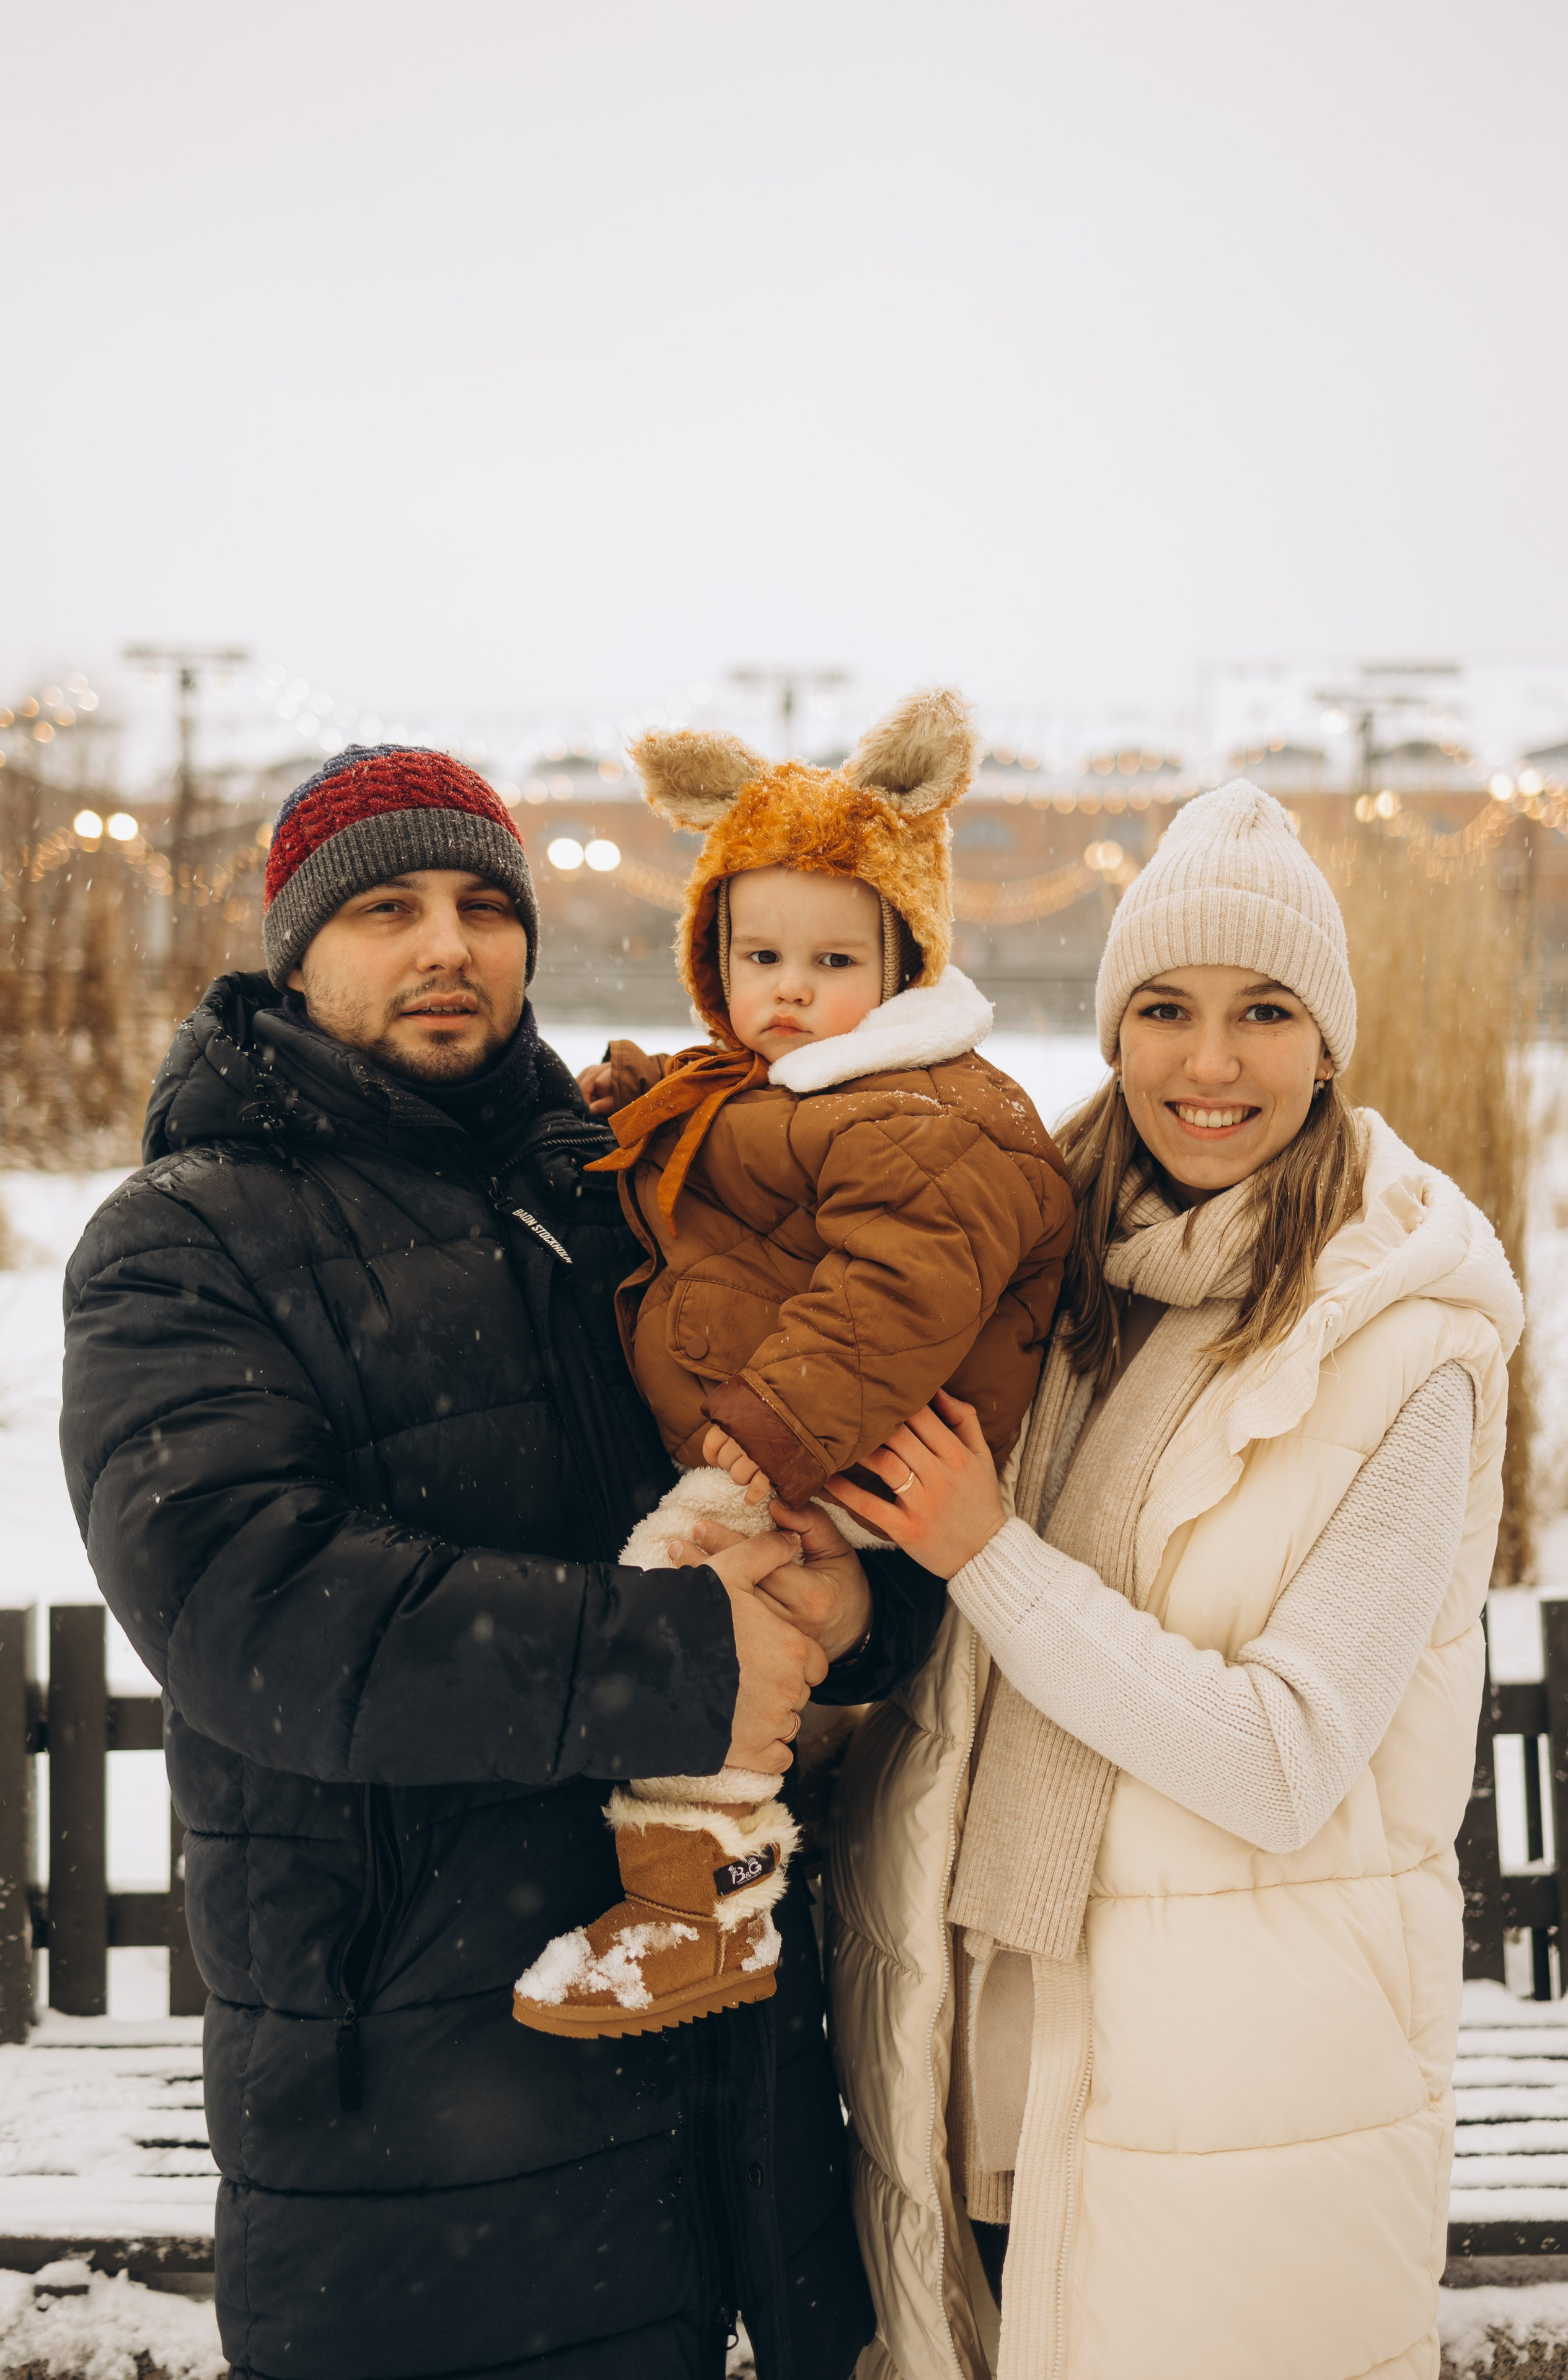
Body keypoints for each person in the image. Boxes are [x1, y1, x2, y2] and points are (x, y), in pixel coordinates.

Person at [59, 743, 943, 2380]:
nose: (445, 946)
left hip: (721, 2092)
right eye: (386, 908)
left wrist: (867, 1605)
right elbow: (258, 1605)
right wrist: (685, 1664)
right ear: (296, 948)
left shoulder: (628, 1191)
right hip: (414, 2113)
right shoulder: (189, 1237)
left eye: (482, 905)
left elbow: (808, 1468)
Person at [820, 780, 1523, 2380]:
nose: (1211, 1065)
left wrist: (986, 1555)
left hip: (1241, 2091)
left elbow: (1283, 1762)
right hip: (984, 2059)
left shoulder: (1409, 1351)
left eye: (1265, 1013)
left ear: (1330, 1043)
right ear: (1116, 1029)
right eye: (1167, 1010)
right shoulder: (1047, 1276)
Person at [513, 690, 1074, 2041]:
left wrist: (777, 1422)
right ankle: (710, 1881)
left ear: (901, 968)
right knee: (714, 1632)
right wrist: (632, 1102)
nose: (790, 990)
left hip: (827, 1452)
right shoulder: (783, 1089)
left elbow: (904, 1281)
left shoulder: (925, 1110)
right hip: (794, 1445)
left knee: (690, 1611)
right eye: (756, 956)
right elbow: (723, 1144)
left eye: (831, 962)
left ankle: (700, 1905)